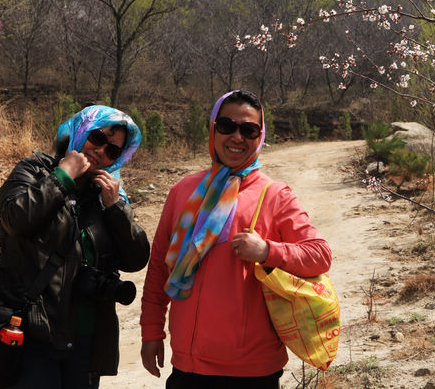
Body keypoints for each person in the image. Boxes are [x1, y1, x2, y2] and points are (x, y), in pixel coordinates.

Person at [140, 90, 332, 388]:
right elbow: (158, 269)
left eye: (249, 130)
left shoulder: (275, 195)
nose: (237, 137)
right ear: (213, 129)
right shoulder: (182, 192)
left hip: (252, 369)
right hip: (188, 366)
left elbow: (319, 255)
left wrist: (268, 250)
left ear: (261, 135)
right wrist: (151, 331)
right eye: (227, 126)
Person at [0, 105, 150, 388]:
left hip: (85, 339)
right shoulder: (34, 172)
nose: (101, 151)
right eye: (97, 138)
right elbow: (16, 218)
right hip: (33, 333)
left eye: (113, 150)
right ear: (80, 131)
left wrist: (116, 209)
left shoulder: (107, 193)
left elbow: (136, 259)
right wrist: (62, 177)